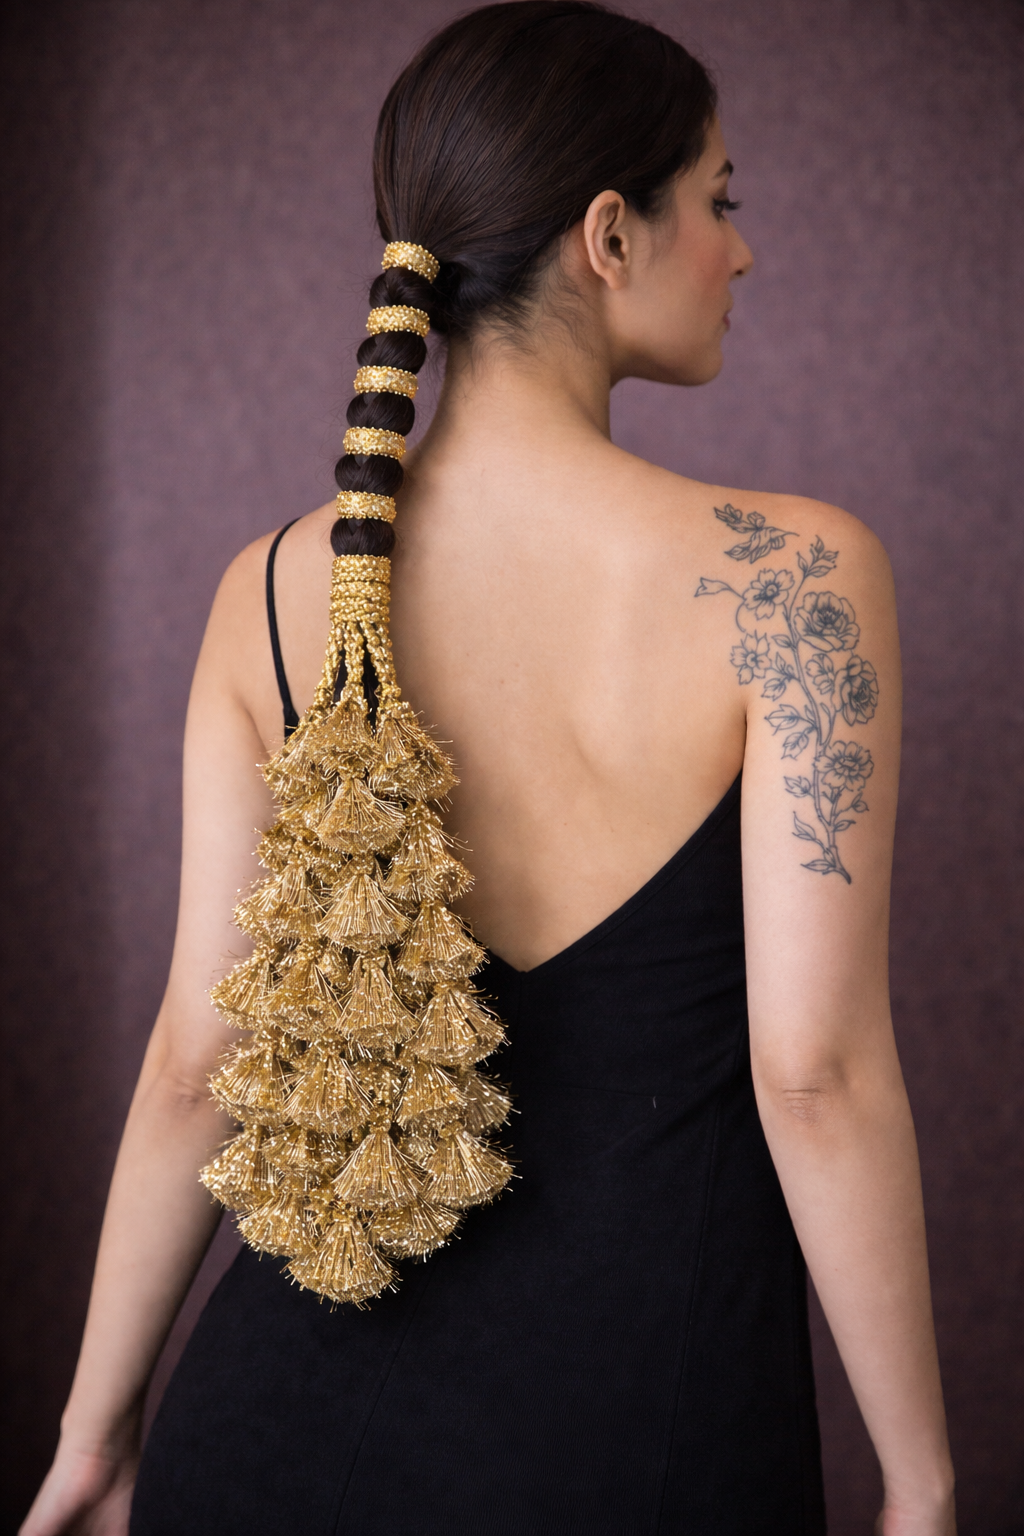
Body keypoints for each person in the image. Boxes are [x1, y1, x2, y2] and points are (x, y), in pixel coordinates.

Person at [22, 4, 957, 1533]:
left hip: (268, 1443)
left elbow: (199, 1063)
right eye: (720, 199)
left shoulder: (272, 591)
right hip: (637, 1446)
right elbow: (817, 1077)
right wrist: (920, 1483)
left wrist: (93, 1432)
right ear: (610, 234)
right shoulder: (793, 583)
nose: (742, 252)